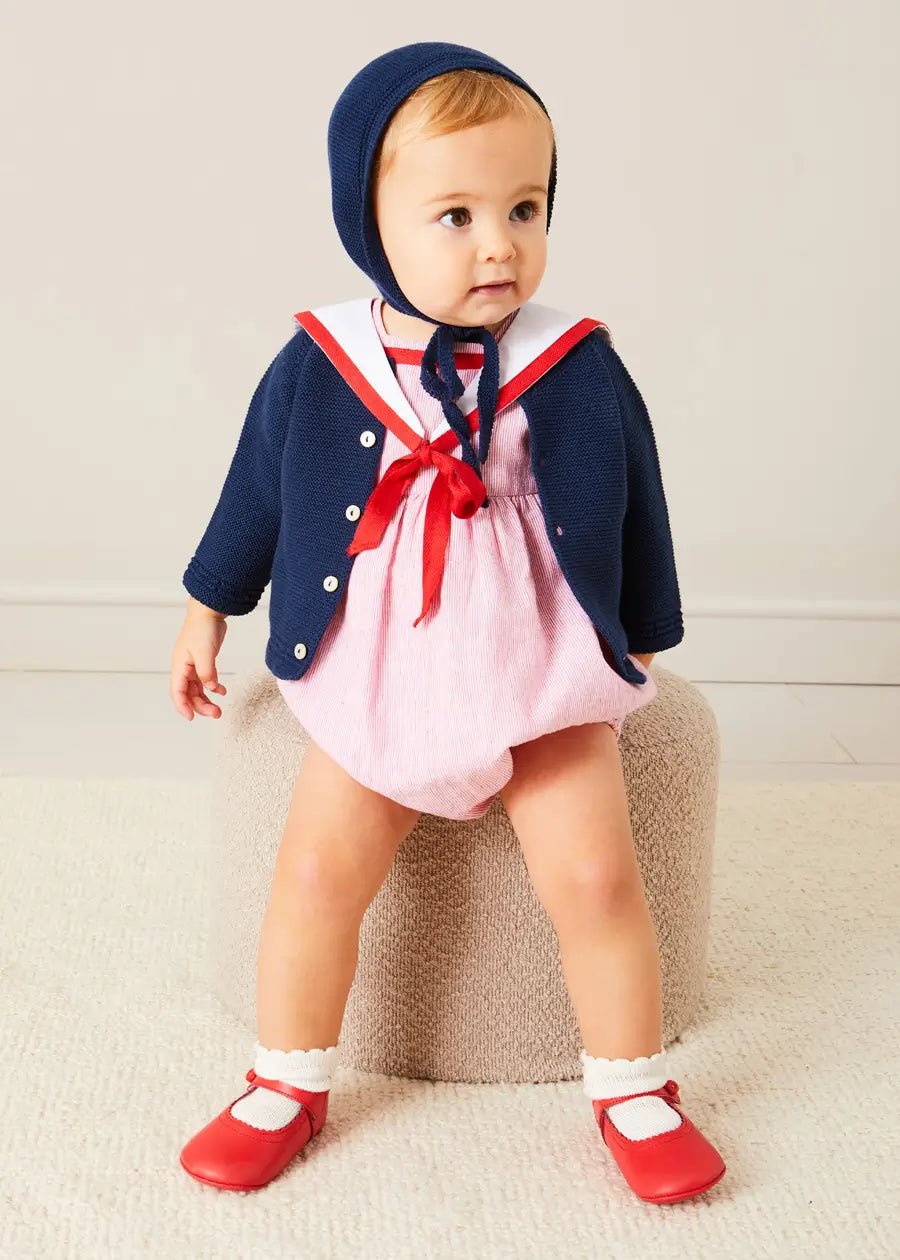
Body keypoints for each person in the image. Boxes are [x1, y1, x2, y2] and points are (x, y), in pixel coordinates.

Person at [170, 42, 725, 1204]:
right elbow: (256, 492)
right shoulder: (324, 361)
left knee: (597, 877)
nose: (499, 246)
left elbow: (637, 497)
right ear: (369, 225)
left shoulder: (572, 359)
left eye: (525, 208)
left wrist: (644, 633)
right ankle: (285, 1081)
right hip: (378, 666)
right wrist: (208, 605)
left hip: (539, 664)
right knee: (314, 872)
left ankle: (632, 1087)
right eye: (456, 216)